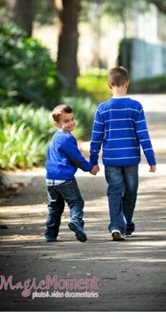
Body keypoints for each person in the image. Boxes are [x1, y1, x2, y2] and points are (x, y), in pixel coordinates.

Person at [89, 66, 156, 241]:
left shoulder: (102, 109)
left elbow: (96, 138)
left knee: (115, 191)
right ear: (127, 83)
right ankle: (118, 225)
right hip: (131, 159)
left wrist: (93, 161)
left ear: (109, 85)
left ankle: (122, 224)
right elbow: (143, 135)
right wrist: (151, 159)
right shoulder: (135, 107)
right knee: (131, 191)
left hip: (110, 159)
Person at [44, 103, 98, 242]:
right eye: (66, 121)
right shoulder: (67, 138)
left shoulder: (56, 137)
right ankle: (75, 221)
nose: (71, 123)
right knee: (76, 203)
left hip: (51, 179)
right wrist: (90, 168)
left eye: (72, 119)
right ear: (57, 124)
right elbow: (76, 158)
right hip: (64, 178)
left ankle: (50, 234)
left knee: (55, 207)